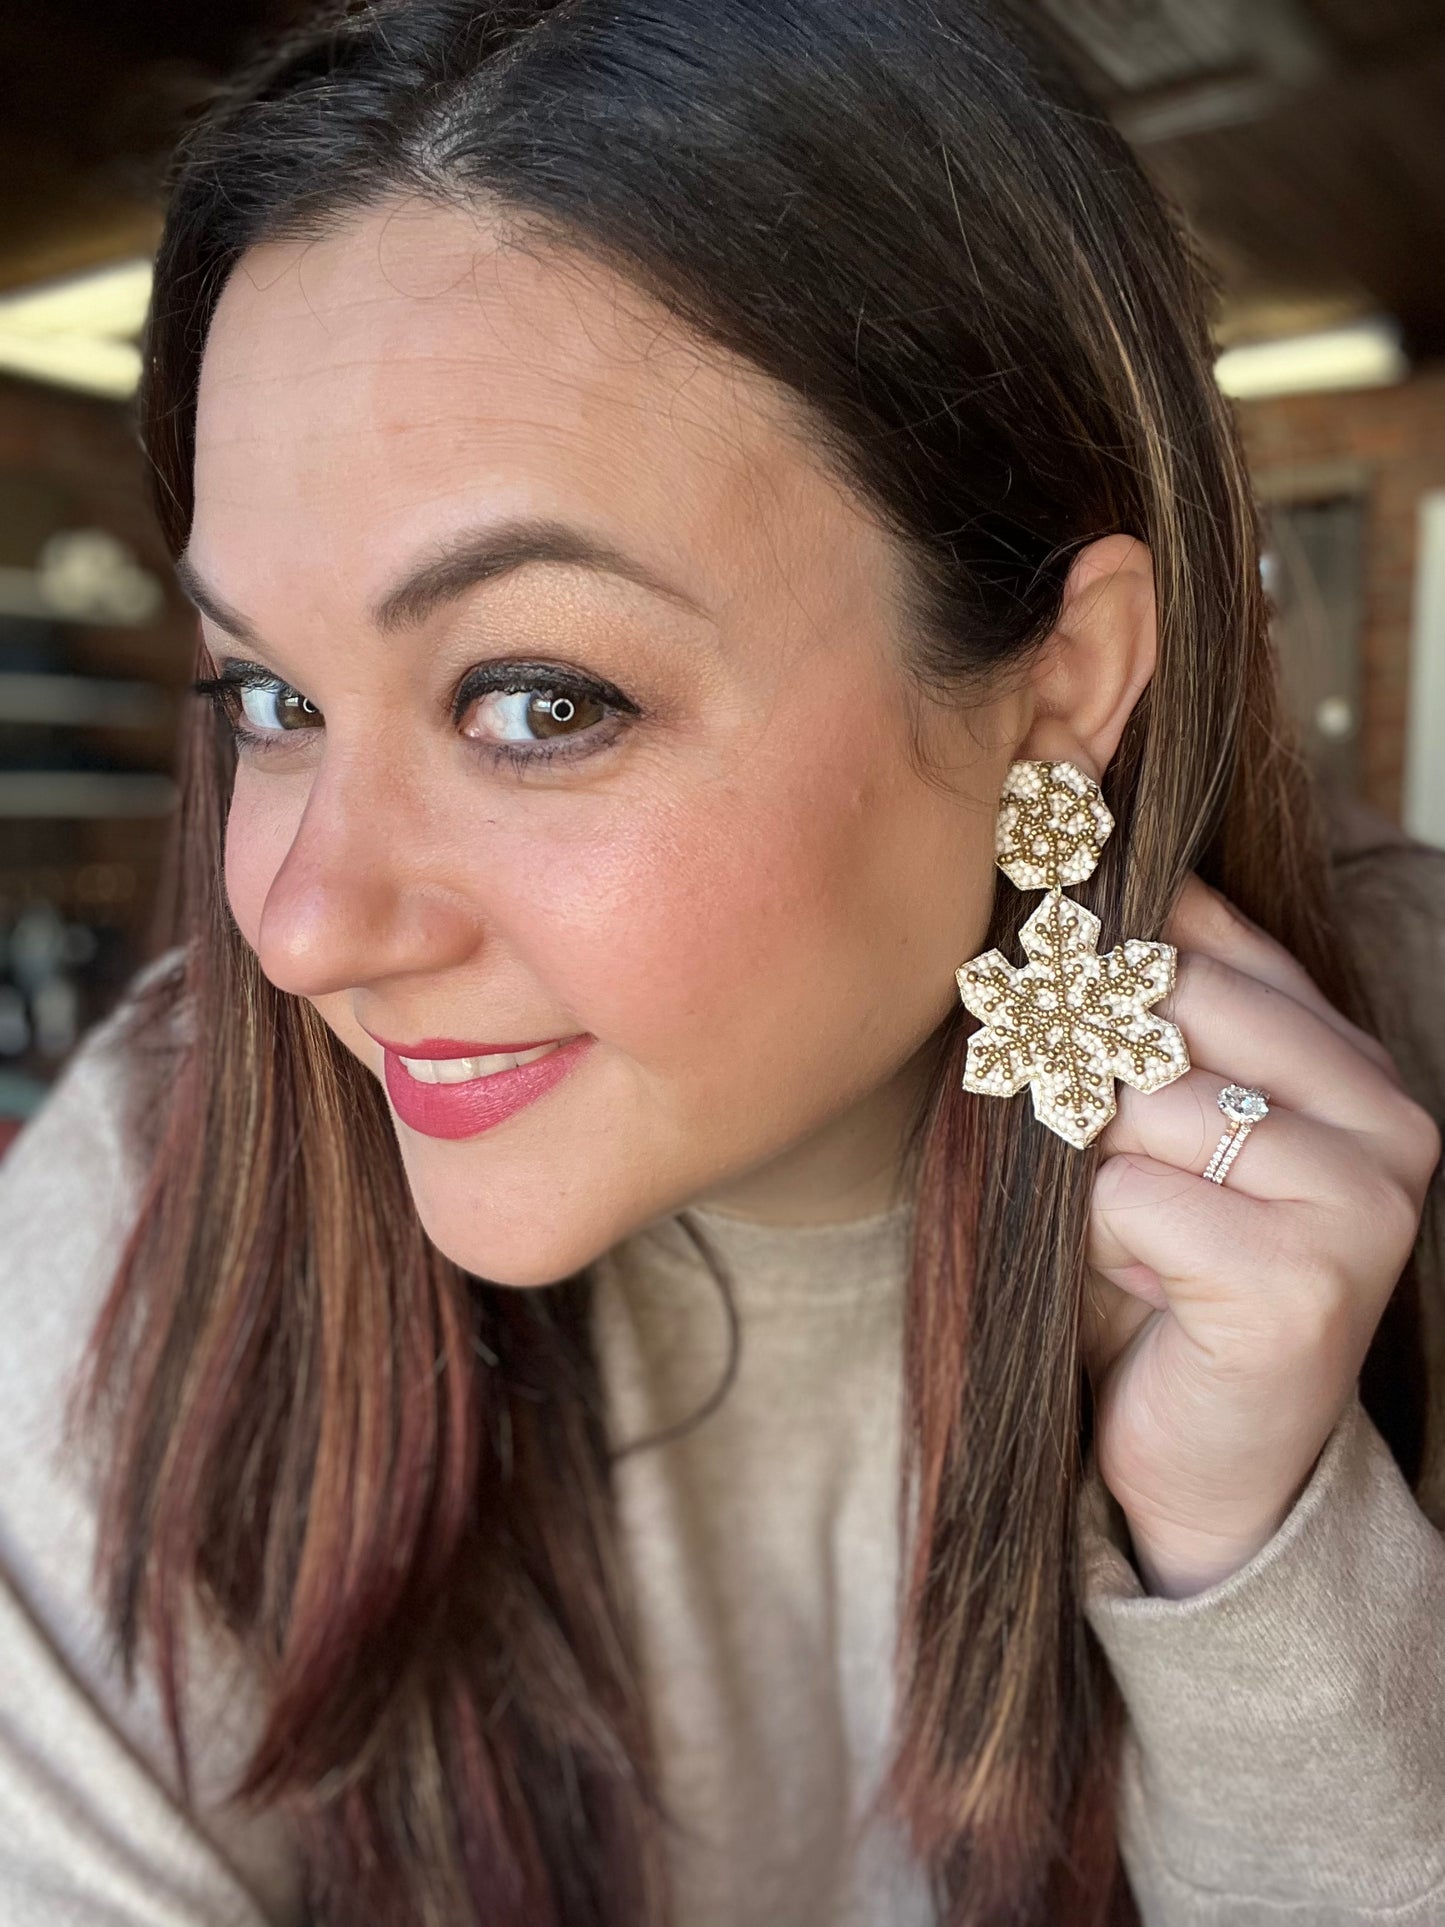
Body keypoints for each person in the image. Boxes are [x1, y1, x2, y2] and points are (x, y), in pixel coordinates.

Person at [1, 2, 1442, 1923]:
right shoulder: (152, 1200)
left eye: (535, 698)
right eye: (266, 694)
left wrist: (1262, 1565)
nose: (295, 923)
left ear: (1057, 686)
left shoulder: (1400, 1074)